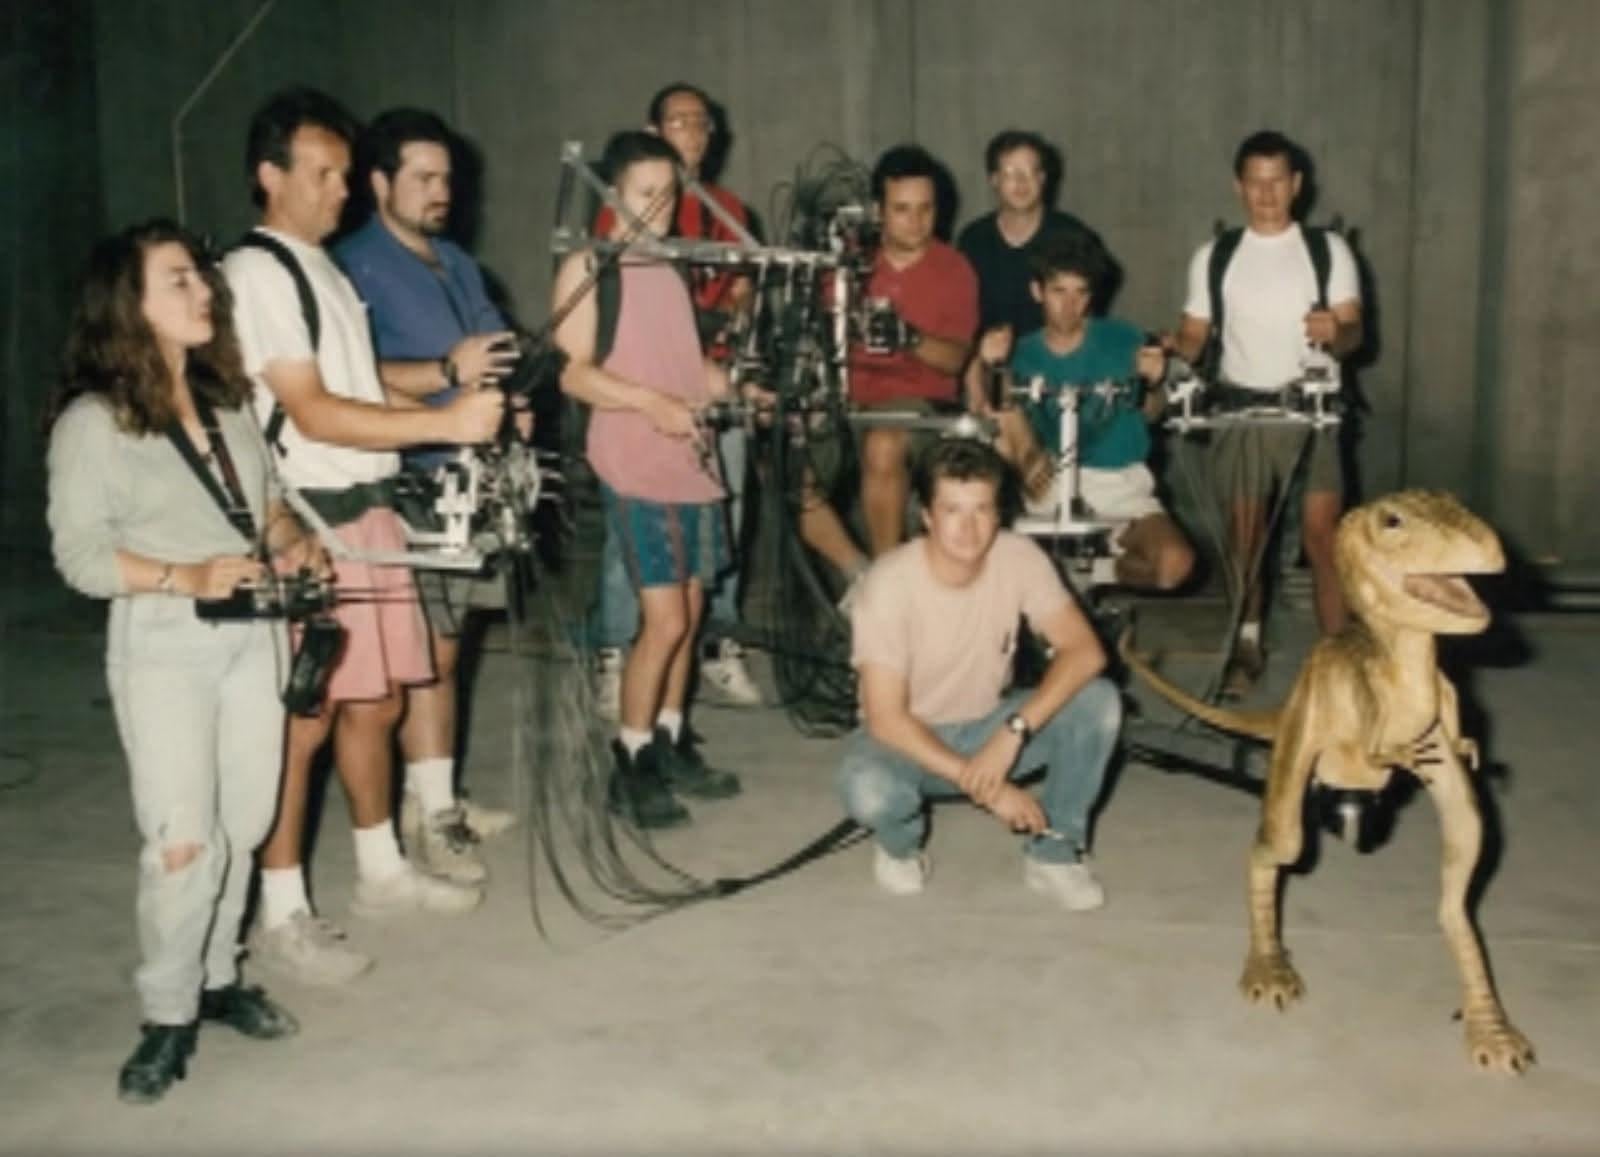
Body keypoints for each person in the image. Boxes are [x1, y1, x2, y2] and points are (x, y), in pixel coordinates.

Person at [223, 88, 504, 985]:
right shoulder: (258, 273)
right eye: (323, 173)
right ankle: (282, 911)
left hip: (368, 505)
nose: (341, 190)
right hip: (309, 518)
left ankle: (381, 869)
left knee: (376, 704)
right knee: (304, 723)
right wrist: (445, 423)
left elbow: (364, 386)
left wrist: (451, 396)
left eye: (345, 173)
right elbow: (309, 409)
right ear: (270, 176)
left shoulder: (325, 270)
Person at [46, 220, 312, 1102]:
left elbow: (265, 509)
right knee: (184, 838)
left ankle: (218, 975)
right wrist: (184, 574)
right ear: (130, 305)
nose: (204, 292)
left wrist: (293, 540)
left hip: (253, 635)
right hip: (165, 642)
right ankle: (167, 1012)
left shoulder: (229, 405)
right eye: (179, 281)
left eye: (201, 277)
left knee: (245, 820)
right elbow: (81, 558)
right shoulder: (94, 423)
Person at [334, 106, 520, 887]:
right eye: (425, 177)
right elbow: (346, 380)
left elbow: (491, 354)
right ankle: (435, 812)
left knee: (452, 647)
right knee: (425, 655)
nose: (442, 190)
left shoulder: (458, 263)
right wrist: (446, 375)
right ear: (380, 183)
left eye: (448, 177)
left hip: (467, 478)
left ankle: (430, 793)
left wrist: (514, 398)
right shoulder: (353, 267)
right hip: (406, 478)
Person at [552, 129, 742, 830]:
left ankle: (668, 737)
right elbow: (573, 373)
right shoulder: (590, 266)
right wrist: (652, 404)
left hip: (690, 459)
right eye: (644, 192)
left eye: (669, 192)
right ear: (611, 193)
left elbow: (684, 367)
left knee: (689, 613)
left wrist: (735, 386)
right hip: (636, 459)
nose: (659, 205)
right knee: (662, 620)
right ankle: (628, 761)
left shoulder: (668, 267)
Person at [837, 438, 1120, 906]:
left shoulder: (1019, 556)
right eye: (952, 510)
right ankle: (900, 847)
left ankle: (1055, 853)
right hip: (908, 743)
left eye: (982, 509)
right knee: (869, 791)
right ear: (927, 516)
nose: (968, 529)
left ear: (998, 513)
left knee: (1099, 701)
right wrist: (991, 790)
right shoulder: (888, 583)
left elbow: (1085, 651)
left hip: (988, 728)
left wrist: (1012, 732)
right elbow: (886, 719)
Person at [590, 81, 763, 715]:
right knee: (643, 566)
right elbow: (581, 360)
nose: (693, 133)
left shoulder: (723, 214)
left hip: (702, 401)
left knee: (710, 551)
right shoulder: (610, 238)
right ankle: (619, 658)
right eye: (679, 121)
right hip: (641, 419)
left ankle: (704, 663)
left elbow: (737, 298)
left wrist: (740, 378)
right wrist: (652, 401)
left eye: (702, 123)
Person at [1172, 129, 1362, 692]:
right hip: (1242, 411)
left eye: (1277, 181)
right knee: (1246, 540)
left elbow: (1355, 333)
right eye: (1255, 183)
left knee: (1324, 537)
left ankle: (1340, 660)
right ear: (1239, 187)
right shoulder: (1216, 256)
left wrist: (1337, 332)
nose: (1266, 194)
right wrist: (1168, 352)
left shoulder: (1329, 250)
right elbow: (1193, 334)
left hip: (1312, 411)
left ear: (1296, 184)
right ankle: (1247, 642)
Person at [797, 144, 979, 587]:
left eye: (925, 209)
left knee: (883, 445)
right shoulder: (844, 265)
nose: (916, 221)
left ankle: (889, 581)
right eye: (902, 210)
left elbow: (955, 360)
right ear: (878, 211)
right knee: (785, 464)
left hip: (917, 406)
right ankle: (859, 571)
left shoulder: (953, 269)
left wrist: (908, 337)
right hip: (845, 402)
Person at [977, 233, 1195, 591]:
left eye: (1080, 293)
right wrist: (990, 366)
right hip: (1047, 483)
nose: (1069, 305)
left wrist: (1154, 383)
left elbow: (1152, 412)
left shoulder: (1125, 340)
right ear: (1037, 291)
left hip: (1120, 485)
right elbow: (996, 413)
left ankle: (1094, 573)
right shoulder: (1020, 352)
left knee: (1174, 565)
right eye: (1058, 292)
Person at [957, 129, 1104, 341]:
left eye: (1030, 172)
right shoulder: (973, 240)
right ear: (994, 180)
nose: (1021, 182)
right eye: (1010, 173)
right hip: (989, 356)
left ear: (1042, 178)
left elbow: (1088, 316)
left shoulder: (1073, 236)